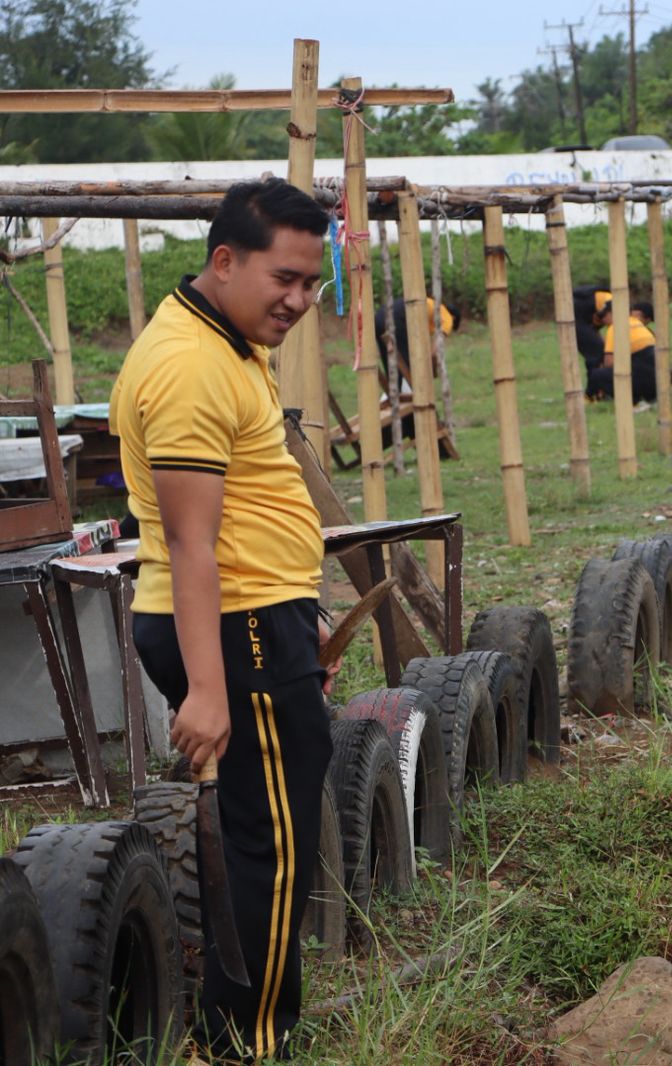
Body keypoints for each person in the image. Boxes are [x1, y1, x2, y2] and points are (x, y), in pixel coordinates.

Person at [108, 178, 335, 1061]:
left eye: (312, 284)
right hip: (229, 626)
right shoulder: (190, 367)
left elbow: (247, 508)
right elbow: (190, 543)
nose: (299, 301)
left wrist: (295, 606)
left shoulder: (227, 340)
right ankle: (246, 1043)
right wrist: (210, 686)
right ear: (224, 260)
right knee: (269, 839)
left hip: (253, 615)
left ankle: (244, 1028)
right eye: (285, 278)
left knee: (267, 822)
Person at [586, 300, 659, 404]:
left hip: (641, 384)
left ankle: (590, 398)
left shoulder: (615, 327)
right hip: (657, 387)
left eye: (604, 316)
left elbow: (609, 362)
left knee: (596, 375)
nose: (603, 321)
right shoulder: (639, 325)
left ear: (613, 313)